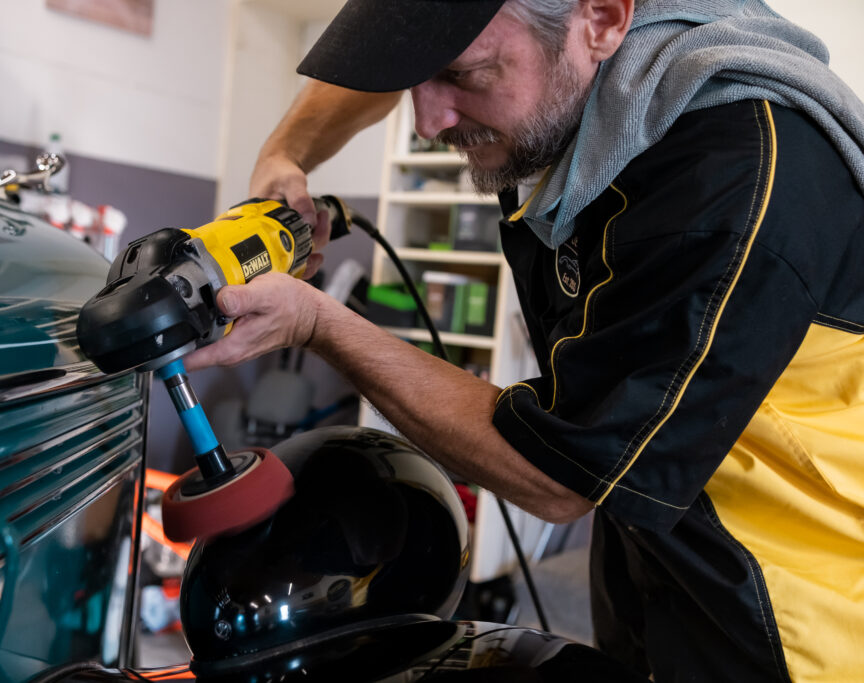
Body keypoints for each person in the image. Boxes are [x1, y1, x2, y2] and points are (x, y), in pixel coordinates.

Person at [185, 0, 864, 680]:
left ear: (601, 19)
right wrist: (284, 156)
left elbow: (560, 471)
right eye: (417, 78)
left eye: (465, 74)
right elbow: (389, 71)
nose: (426, 122)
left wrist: (318, 322)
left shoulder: (724, 177)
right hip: (650, 563)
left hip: (794, 619)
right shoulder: (572, 89)